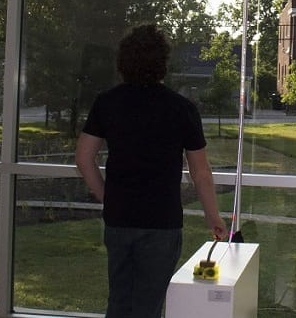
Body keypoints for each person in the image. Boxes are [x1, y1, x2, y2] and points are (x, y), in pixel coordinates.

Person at [75, 24, 227, 318]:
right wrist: (213, 216)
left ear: (123, 62)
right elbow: (201, 172)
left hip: (119, 219)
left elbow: (84, 158)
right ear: (162, 63)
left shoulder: (107, 103)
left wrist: (107, 197)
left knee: (119, 301)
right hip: (162, 223)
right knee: (148, 306)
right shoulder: (181, 108)